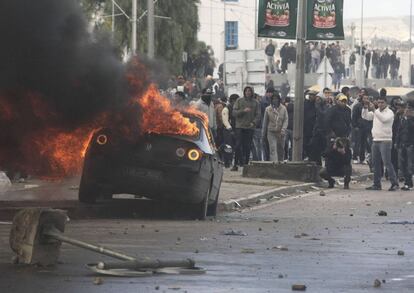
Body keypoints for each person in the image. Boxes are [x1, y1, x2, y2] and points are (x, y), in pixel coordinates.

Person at [362, 96, 399, 191]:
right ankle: (376, 184)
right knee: (376, 163)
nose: (380, 104)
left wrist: (374, 110)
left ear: (386, 103)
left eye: (382, 102)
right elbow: (365, 116)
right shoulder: (376, 112)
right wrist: (365, 107)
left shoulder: (389, 112)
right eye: (379, 102)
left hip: (385, 140)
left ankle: (394, 183)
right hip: (375, 140)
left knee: (387, 162)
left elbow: (384, 119)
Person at [232, 86, 261, 169]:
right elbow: (234, 113)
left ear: (252, 92)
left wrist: (254, 123)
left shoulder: (256, 103)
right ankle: (235, 164)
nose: (248, 92)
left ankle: (246, 164)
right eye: (246, 91)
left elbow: (258, 115)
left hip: (249, 127)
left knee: (247, 146)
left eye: (249, 91)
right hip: (240, 127)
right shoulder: (239, 101)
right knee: (238, 145)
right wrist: (243, 111)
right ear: (244, 92)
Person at [262, 92, 288, 162]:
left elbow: (286, 120)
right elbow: (265, 122)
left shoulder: (283, 108)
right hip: (271, 132)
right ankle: (274, 164)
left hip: (281, 132)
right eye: (273, 99)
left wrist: (283, 129)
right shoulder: (268, 109)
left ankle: (280, 163)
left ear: (279, 99)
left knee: (280, 149)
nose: (275, 100)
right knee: (273, 149)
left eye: (276, 99)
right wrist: (263, 134)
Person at [396, 101, 414, 190]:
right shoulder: (403, 118)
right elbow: (399, 131)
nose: (407, 110)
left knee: (409, 165)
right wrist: (397, 142)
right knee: (402, 164)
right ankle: (407, 182)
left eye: (409, 108)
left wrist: (410, 118)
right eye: (407, 108)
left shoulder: (411, 119)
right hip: (402, 144)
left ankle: (409, 183)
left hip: (410, 145)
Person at [222, 94, 238, 168]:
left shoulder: (235, 108)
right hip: (228, 131)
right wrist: (230, 129)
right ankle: (227, 162)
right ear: (233, 100)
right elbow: (225, 121)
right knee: (228, 146)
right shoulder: (226, 109)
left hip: (234, 130)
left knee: (233, 147)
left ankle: (230, 161)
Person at [284, 97, 294, 161]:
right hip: (293, 128)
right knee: (293, 145)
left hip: (286, 128)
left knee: (285, 144)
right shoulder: (295, 108)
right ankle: (291, 157)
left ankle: (285, 157)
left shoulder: (285, 108)